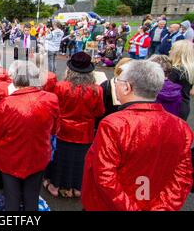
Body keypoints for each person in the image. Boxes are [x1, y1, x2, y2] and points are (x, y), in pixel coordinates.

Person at [82, 60, 193, 211]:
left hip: (112, 205)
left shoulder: (114, 124)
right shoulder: (181, 127)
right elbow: (182, 176)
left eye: (118, 82)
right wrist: (163, 207)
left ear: (127, 87)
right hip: (154, 200)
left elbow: (105, 175)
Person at [0, 60, 59, 211]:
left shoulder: (7, 103)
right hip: (38, 155)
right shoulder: (51, 99)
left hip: (10, 158)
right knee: (31, 198)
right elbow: (54, 129)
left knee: (12, 198)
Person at [44, 52, 105, 198]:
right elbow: (99, 112)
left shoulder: (61, 86)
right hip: (85, 131)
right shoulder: (97, 89)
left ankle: (55, 184)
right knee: (80, 159)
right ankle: (77, 187)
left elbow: (54, 108)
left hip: (63, 129)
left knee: (60, 157)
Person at [168, 40, 194, 121]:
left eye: (172, 49)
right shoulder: (189, 70)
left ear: (177, 53)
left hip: (173, 106)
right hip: (185, 104)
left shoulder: (175, 71)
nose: (169, 51)